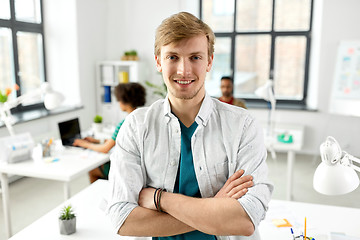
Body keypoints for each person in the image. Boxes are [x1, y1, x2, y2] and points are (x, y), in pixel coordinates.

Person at [105, 12, 273, 240]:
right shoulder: (136, 126)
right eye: (173, 57)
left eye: (195, 57)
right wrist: (214, 209)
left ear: (209, 62)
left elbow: (245, 220)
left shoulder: (243, 126)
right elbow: (122, 219)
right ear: (158, 62)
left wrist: (159, 199)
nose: (184, 70)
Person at [73, 82, 146, 183]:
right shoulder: (143, 117)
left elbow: (105, 149)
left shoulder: (125, 123)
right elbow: (119, 140)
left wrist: (84, 144)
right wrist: (96, 140)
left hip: (126, 168)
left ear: (124, 101)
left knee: (93, 171)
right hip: (139, 167)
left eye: (119, 100)